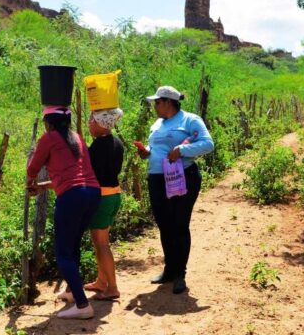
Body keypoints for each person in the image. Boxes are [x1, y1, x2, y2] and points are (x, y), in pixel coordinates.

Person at [135, 85, 214, 294]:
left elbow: (208, 144)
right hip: (157, 179)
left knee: (179, 224)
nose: (154, 106)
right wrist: (147, 152)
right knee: (164, 224)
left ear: (168, 102)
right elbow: (157, 149)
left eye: (157, 102)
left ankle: (180, 274)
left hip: (182, 177)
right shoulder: (157, 124)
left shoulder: (190, 120)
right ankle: (169, 270)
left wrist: (182, 150)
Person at [26, 105, 101, 320]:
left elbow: (33, 168)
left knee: (62, 253)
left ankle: (82, 304)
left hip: (72, 198)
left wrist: (31, 182)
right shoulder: (76, 137)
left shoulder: (49, 138)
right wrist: (42, 186)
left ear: (48, 123)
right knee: (73, 244)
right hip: (92, 194)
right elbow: (73, 177)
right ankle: (70, 291)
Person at [83, 108, 125, 300]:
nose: (89, 123)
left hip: (102, 197)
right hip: (113, 194)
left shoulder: (98, 146)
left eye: (92, 120)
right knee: (99, 241)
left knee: (102, 244)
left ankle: (113, 287)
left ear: (101, 124)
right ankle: (101, 281)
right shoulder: (117, 142)